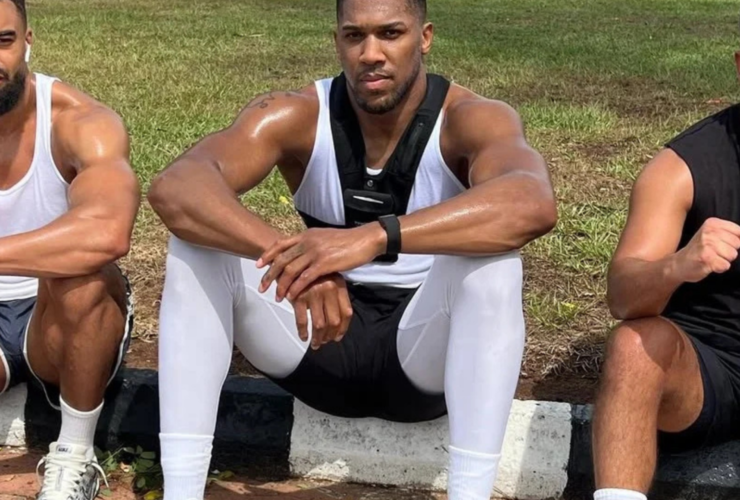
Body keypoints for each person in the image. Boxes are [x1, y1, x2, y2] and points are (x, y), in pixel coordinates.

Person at [148, 0, 556, 498]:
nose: (371, 54)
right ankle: (181, 491)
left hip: (422, 354)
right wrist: (298, 261)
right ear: (337, 41)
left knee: (494, 268)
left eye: (391, 34)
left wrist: (371, 237)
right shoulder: (297, 112)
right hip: (318, 344)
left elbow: (531, 203)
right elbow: (176, 187)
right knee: (194, 246)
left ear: (425, 37)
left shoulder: (470, 117)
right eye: (354, 36)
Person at [0, 0, 139, 498]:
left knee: (82, 272)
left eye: (3, 41)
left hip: (58, 316)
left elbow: (108, 233)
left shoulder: (79, 122)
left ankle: (75, 457)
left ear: (28, 41)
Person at [592, 41, 740, 500]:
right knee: (634, 346)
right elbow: (623, 296)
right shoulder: (681, 168)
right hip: (710, 370)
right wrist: (679, 264)